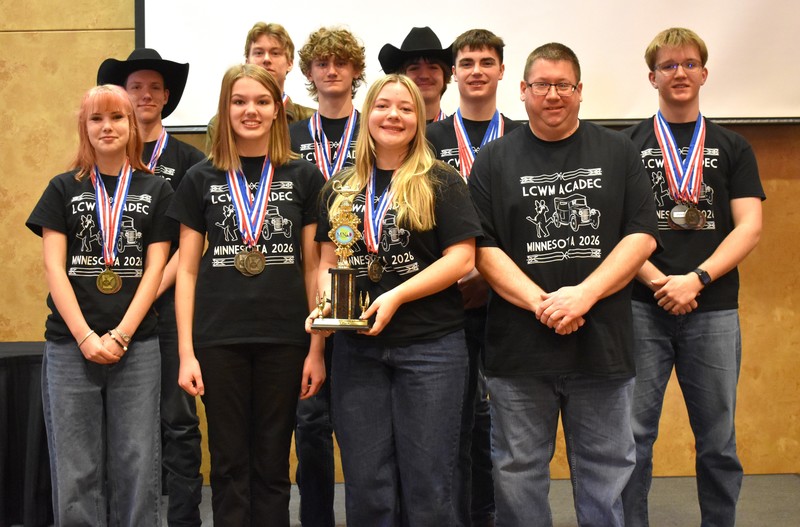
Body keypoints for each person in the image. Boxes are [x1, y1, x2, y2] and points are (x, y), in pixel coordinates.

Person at [468, 42, 660, 526]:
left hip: (602, 346)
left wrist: (583, 295)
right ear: (523, 91)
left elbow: (641, 236)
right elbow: (482, 247)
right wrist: (542, 304)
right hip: (518, 350)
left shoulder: (619, 151)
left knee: (606, 473)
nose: (553, 95)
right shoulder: (492, 160)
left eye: (563, 85)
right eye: (542, 85)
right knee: (517, 473)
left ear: (579, 92)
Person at [306, 74, 482, 526]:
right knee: (367, 484)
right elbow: (329, 264)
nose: (394, 116)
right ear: (369, 115)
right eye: (384, 106)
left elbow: (462, 259)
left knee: (428, 482)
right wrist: (326, 308)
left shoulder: (441, 181)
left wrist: (398, 295)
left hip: (431, 349)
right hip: (357, 351)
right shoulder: (339, 188)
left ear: (419, 119)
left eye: (405, 108)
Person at [168, 64, 325, 526]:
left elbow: (314, 267)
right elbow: (189, 272)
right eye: (239, 101)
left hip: (286, 337)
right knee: (229, 462)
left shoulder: (305, 177)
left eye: (261, 101)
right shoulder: (200, 178)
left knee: (275, 462)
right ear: (225, 108)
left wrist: (316, 347)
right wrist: (186, 353)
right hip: (218, 339)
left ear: (278, 109)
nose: (250, 110)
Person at [620, 28, 764, 527]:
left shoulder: (733, 146)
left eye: (688, 64)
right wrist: (660, 281)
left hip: (714, 308)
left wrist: (695, 279)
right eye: (667, 65)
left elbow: (749, 227)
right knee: (633, 438)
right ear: (652, 76)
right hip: (642, 307)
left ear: (703, 73)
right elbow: (618, 232)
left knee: (718, 439)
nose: (678, 73)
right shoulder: (627, 145)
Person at [26, 84, 174, 525]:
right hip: (70, 346)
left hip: (138, 345)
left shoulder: (158, 189)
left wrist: (123, 333)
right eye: (97, 119)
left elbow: (156, 272)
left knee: (137, 462)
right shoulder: (62, 189)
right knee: (76, 466)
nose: (107, 127)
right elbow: (55, 269)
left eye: (117, 118)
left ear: (133, 126)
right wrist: (86, 336)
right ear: (84, 127)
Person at [97, 47, 206, 526]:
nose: (144, 95)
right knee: (118, 429)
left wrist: (146, 297)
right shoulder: (98, 159)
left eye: (153, 88)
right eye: (134, 87)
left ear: (166, 98)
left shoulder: (190, 161)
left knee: (178, 424)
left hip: (167, 311)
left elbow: (191, 244)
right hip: (108, 316)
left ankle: (182, 519)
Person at [426, 28, 521, 527]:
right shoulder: (427, 140)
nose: (477, 70)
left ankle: (494, 515)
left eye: (487, 61)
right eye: (467, 62)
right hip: (448, 302)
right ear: (453, 75)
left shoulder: (525, 136)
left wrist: (492, 275)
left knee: (508, 426)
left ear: (503, 71)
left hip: (511, 301)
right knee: (453, 425)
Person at [288, 25, 365, 527]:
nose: (332, 70)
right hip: (302, 295)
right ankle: (315, 519)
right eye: (322, 63)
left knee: (363, 428)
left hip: (367, 295)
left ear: (357, 72)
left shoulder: (379, 130)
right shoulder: (291, 139)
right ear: (310, 73)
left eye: (341, 62)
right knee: (310, 426)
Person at [206, 22, 315, 148]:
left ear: (290, 63)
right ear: (247, 61)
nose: (266, 59)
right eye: (259, 53)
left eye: (275, 53)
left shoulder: (311, 120)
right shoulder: (219, 123)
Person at [378, 26, 453, 122]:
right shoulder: (387, 132)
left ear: (444, 76)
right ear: (401, 78)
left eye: (433, 67)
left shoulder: (457, 134)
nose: (424, 76)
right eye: (414, 68)